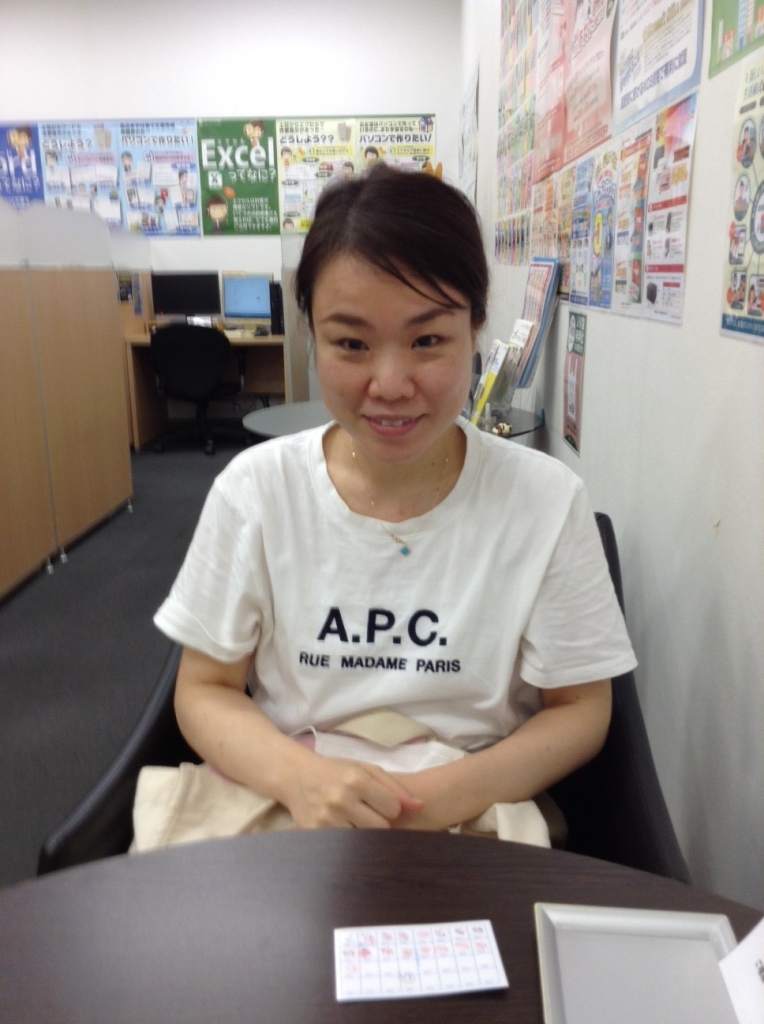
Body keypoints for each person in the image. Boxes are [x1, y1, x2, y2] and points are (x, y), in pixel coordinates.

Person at [154, 166, 636, 835]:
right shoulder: (256, 490)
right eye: (352, 343)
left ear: (476, 327)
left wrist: (431, 800)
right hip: (292, 809)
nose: (389, 383)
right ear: (313, 335)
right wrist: (305, 781)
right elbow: (204, 689)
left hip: (469, 813)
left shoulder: (545, 501)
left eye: (427, 340)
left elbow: (581, 708)